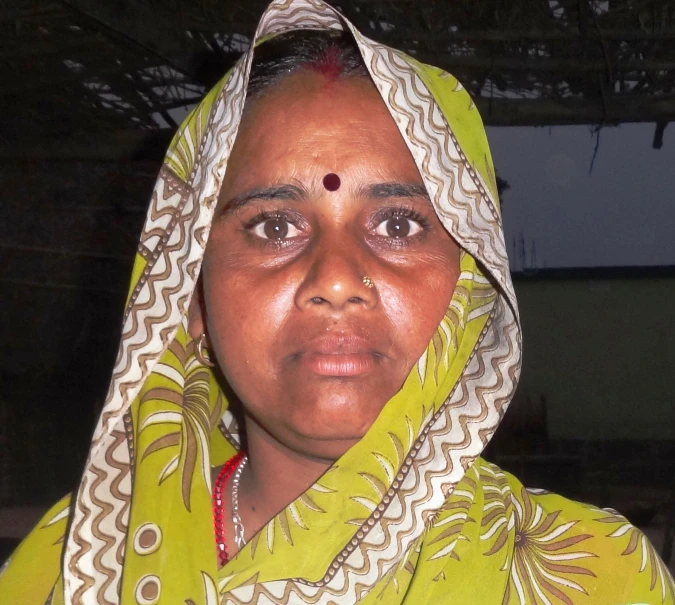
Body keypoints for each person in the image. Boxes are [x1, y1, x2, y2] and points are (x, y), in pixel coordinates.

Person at [1, 1, 673, 603]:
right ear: (189, 294)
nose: (336, 277)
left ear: (468, 289)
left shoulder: (598, 578)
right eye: (272, 225)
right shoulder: (63, 571)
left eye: (398, 224)